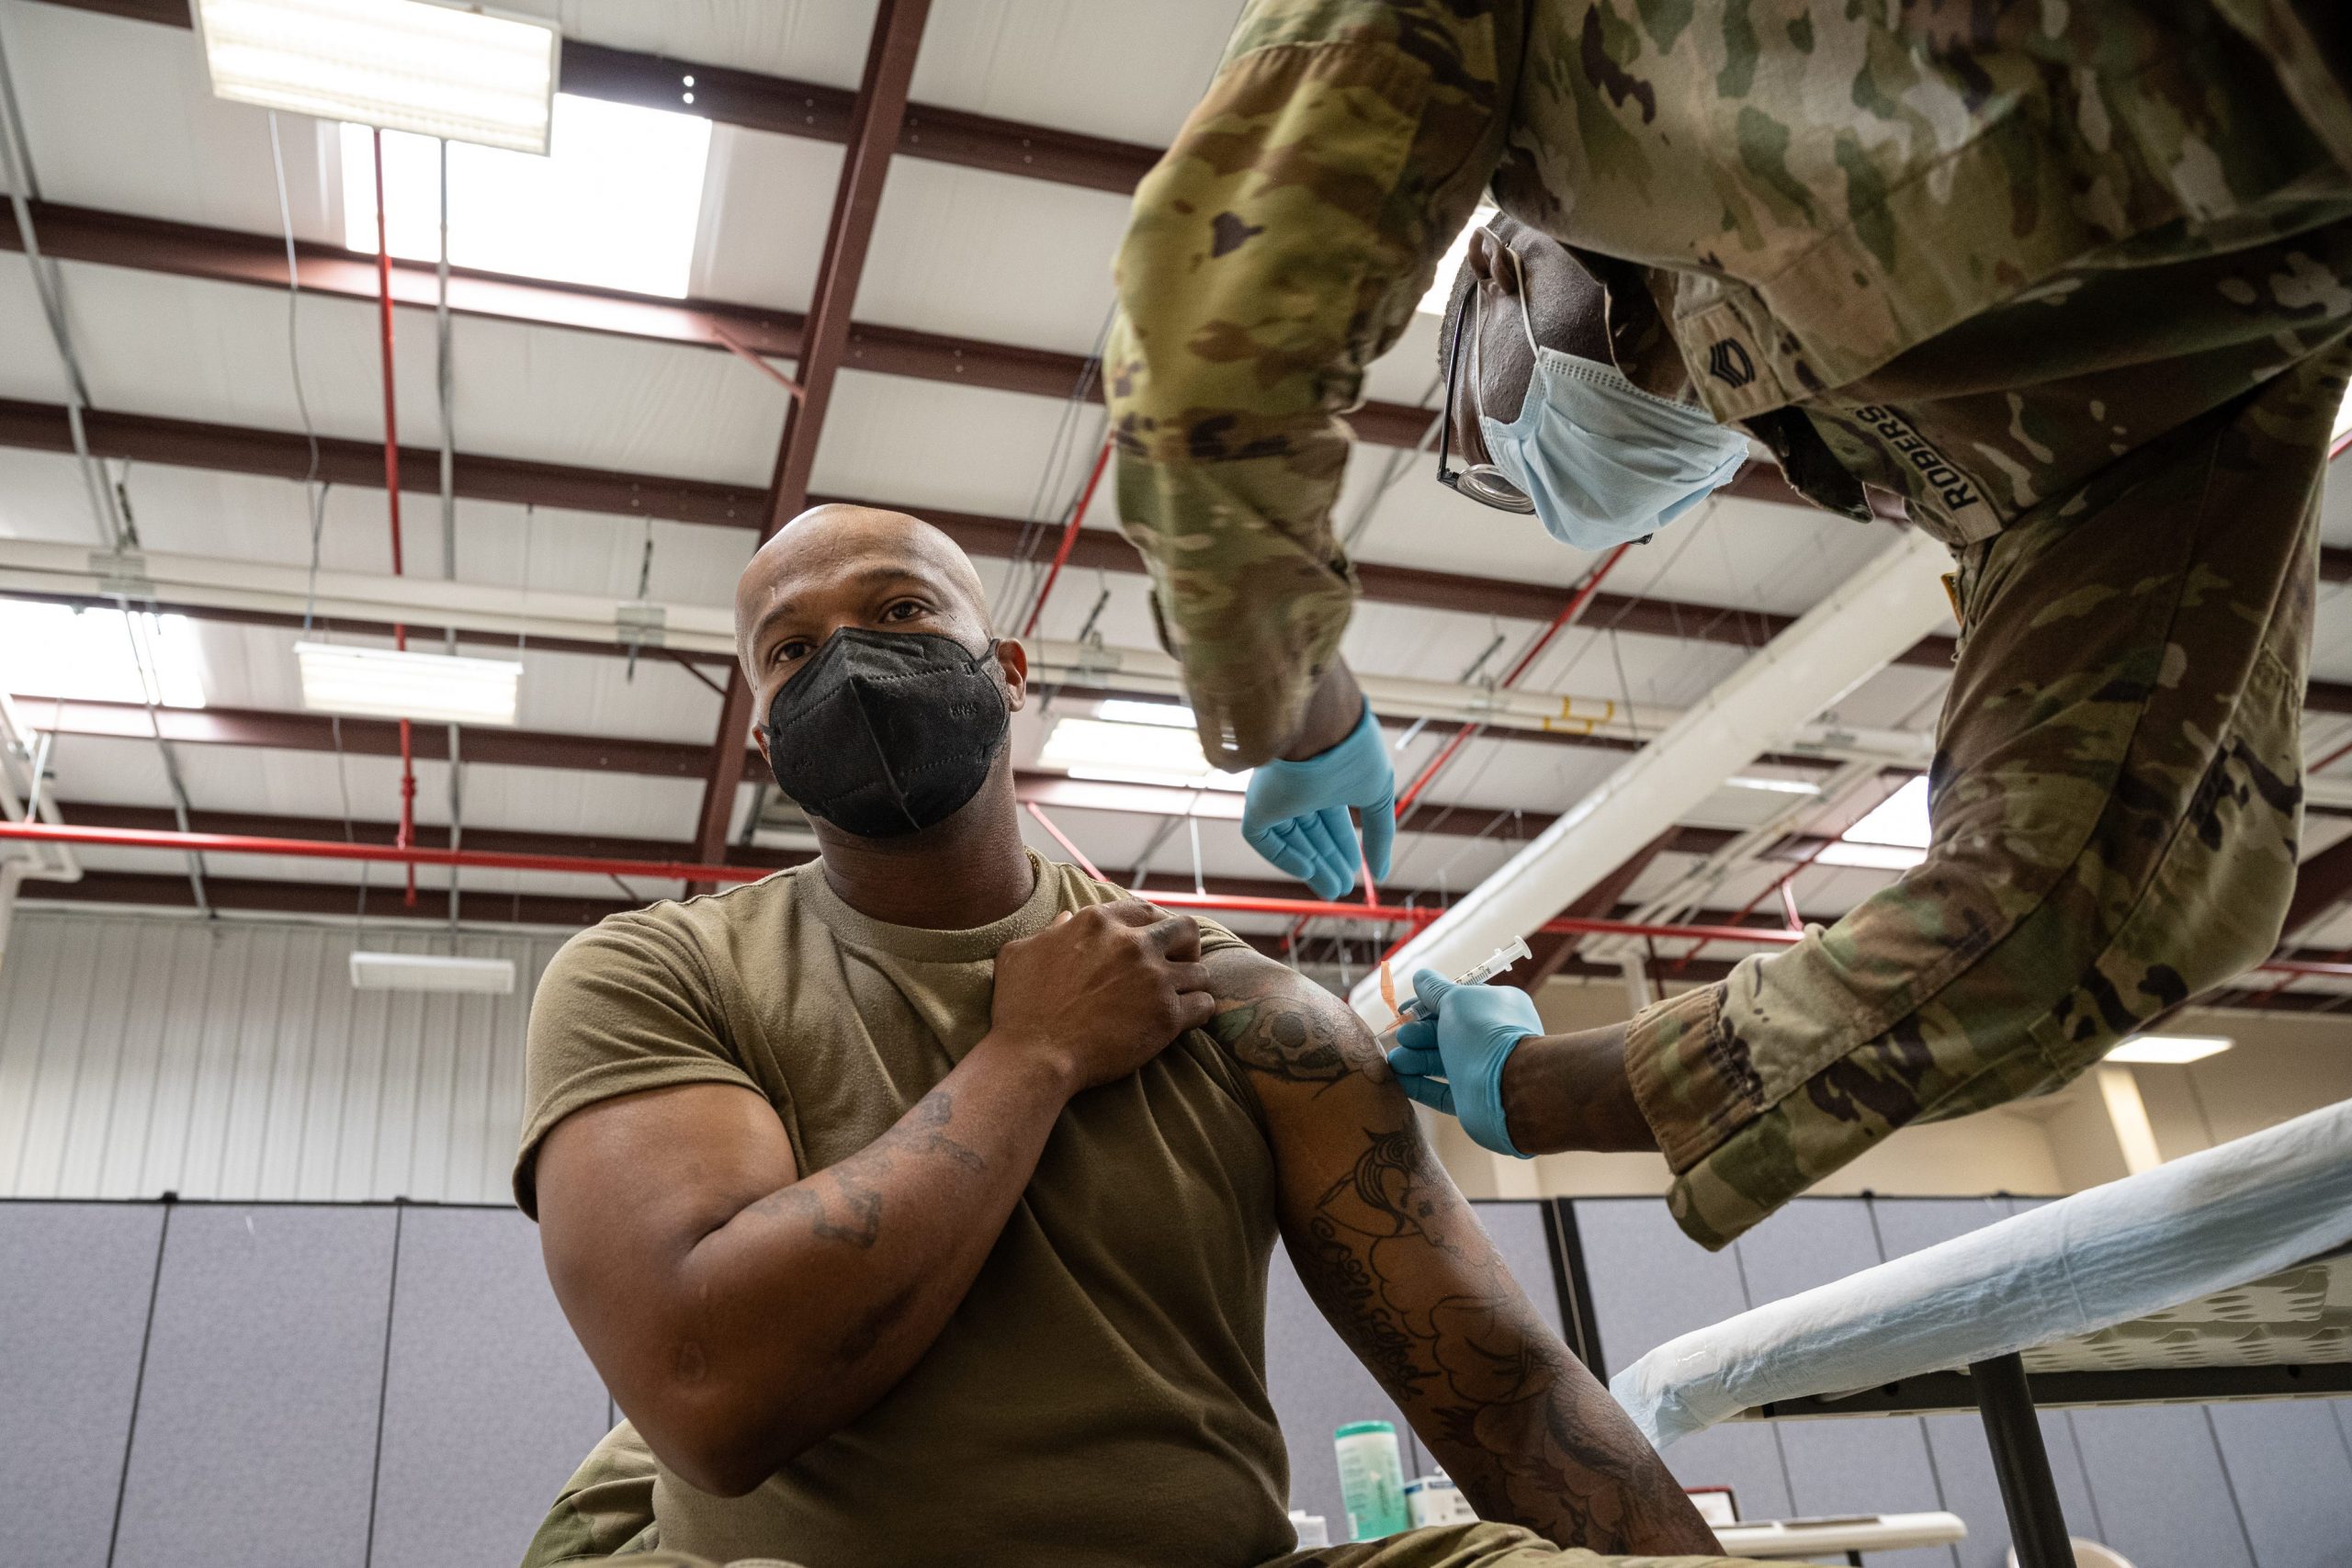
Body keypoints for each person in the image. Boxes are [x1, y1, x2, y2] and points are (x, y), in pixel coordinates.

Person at [1105, 0, 2352, 1247]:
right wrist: (1534, 1091)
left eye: (1503, 428)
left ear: (1493, 250)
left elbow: (1221, 317)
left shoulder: (1569, 47)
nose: (1643, 389)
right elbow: (2077, 919)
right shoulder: (2070, 452)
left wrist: (1295, 699)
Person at [513, 502, 1757, 1568]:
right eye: (792, 649)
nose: (849, 657)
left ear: (1006, 668)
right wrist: (1031, 1057)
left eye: (899, 613)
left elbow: (1508, 1400)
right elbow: (709, 1390)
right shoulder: (657, 970)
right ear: (768, 740)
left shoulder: (1255, 1016)